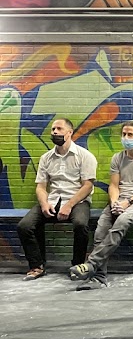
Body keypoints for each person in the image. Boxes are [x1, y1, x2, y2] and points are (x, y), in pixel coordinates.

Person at [69, 121, 133, 288]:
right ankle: (99, 278)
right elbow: (114, 185)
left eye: (130, 134)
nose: (125, 137)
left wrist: (128, 202)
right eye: (124, 134)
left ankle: (91, 264)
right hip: (120, 200)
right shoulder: (117, 158)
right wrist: (114, 202)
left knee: (121, 222)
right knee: (100, 231)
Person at [17, 117, 98, 280]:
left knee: (81, 225)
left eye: (59, 129)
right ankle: (37, 266)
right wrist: (44, 204)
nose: (55, 132)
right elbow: (41, 187)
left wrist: (69, 205)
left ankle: (77, 266)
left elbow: (87, 186)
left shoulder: (85, 156)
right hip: (53, 200)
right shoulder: (46, 158)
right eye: (53, 129)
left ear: (70, 133)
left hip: (78, 201)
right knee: (24, 226)